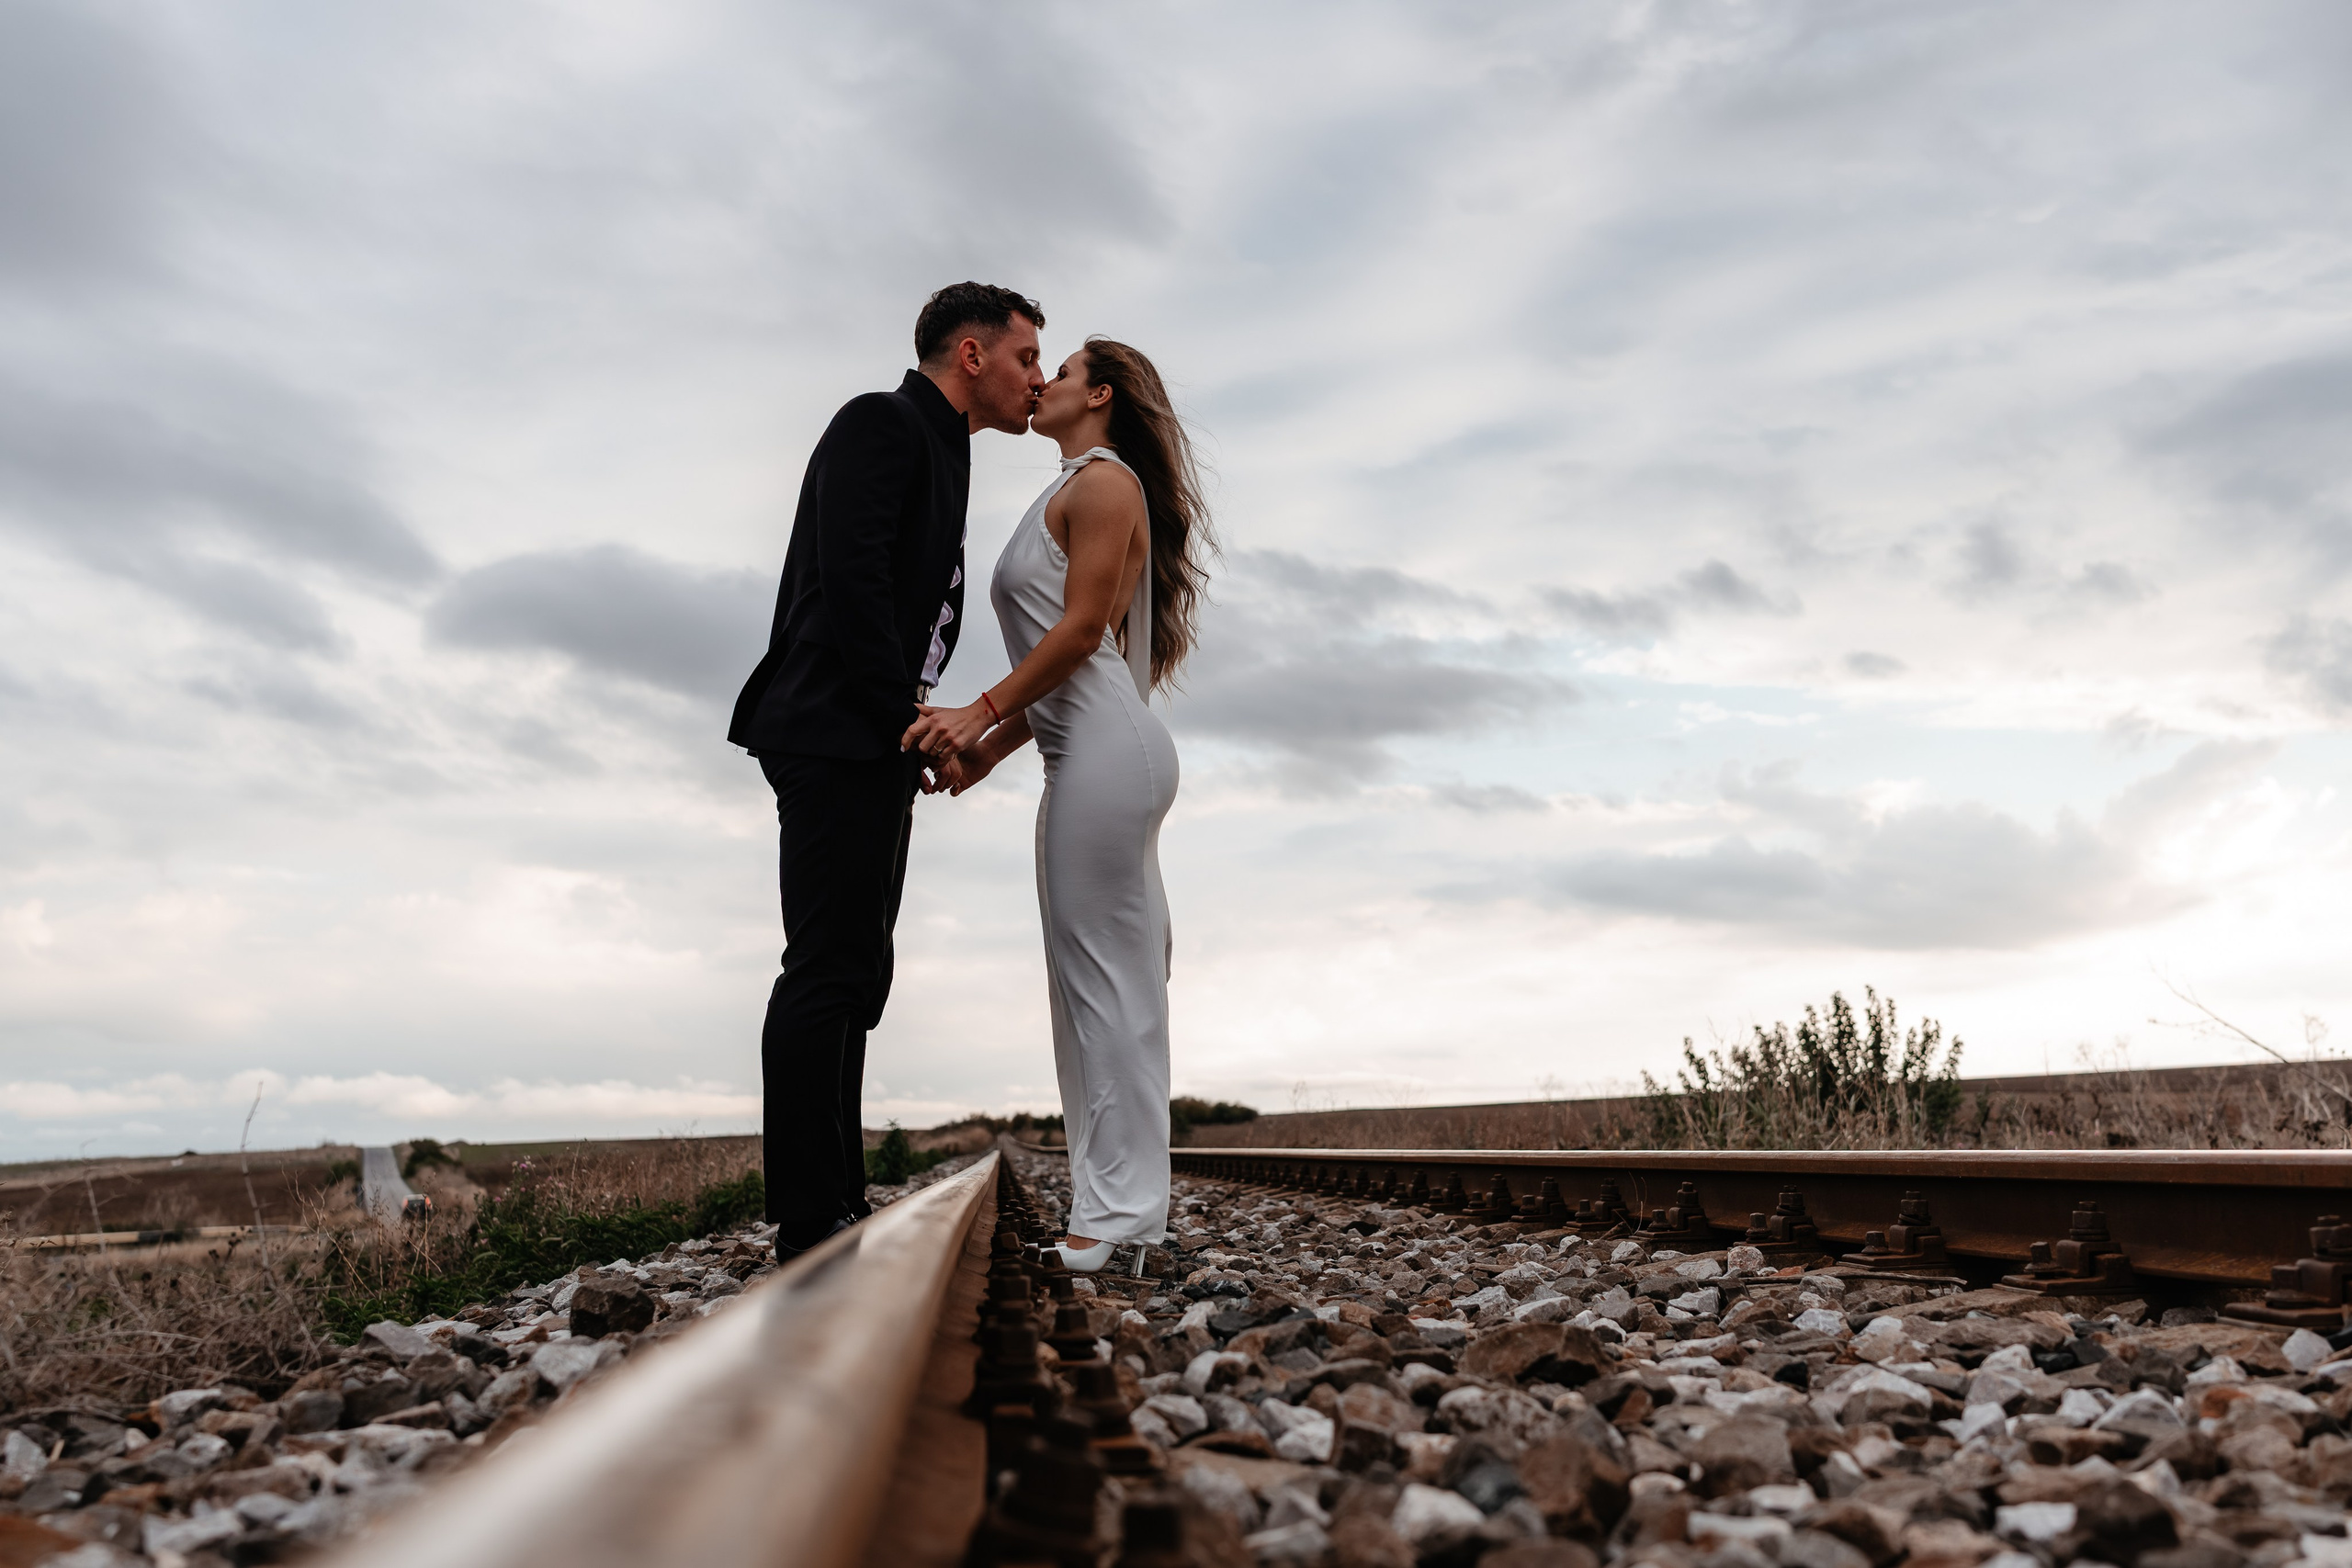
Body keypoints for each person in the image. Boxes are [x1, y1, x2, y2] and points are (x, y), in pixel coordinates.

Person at [728, 283, 1046, 1256]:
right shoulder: (881, 422)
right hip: (832, 728)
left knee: (859, 971)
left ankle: (836, 1195)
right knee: (826, 966)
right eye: (1029, 357)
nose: (1038, 378)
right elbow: (854, 579)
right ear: (971, 353)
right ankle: (808, 1215)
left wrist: (906, 731)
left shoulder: (942, 450)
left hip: (868, 736)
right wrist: (912, 721)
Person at [903, 337, 1214, 1270]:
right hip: (1083, 752)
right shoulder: (1072, 486)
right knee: (1099, 985)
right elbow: (1069, 654)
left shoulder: (1104, 482)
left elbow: (1083, 634)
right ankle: (1119, 1209)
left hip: (1107, 753)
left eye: (1060, 369)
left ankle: (1116, 1219)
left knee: (1106, 986)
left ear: (1102, 394)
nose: (1039, 381)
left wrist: (975, 712)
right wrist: (990, 750)